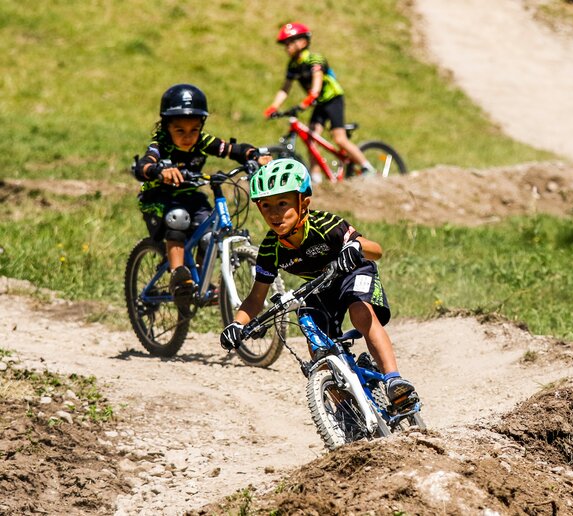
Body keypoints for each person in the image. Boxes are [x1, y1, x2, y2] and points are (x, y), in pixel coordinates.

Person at [219, 158, 419, 411]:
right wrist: (237, 324)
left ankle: (394, 381)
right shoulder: (270, 249)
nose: (274, 213)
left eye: (283, 203)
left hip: (353, 272)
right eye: (266, 206)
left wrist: (355, 246)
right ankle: (345, 410)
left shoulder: (327, 225)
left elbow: (376, 250)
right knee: (314, 341)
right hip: (318, 287)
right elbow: (256, 298)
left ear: (304, 203)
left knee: (361, 312)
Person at [133, 84, 272, 313]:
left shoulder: (201, 141)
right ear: (167, 126)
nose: (188, 137)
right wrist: (159, 171)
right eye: (180, 131)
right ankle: (179, 276)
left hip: (190, 195)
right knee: (178, 219)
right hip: (159, 198)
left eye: (194, 130)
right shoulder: (160, 144)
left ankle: (197, 279)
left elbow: (230, 149)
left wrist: (255, 156)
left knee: (210, 234)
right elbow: (143, 165)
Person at [263, 22, 375, 182]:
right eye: (285, 44)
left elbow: (317, 84)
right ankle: (316, 179)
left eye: (289, 43)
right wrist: (273, 107)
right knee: (311, 139)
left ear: (302, 42)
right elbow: (285, 89)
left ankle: (366, 167)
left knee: (339, 138)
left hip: (333, 99)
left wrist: (306, 101)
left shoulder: (315, 59)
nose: (286, 47)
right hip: (318, 104)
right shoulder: (293, 65)